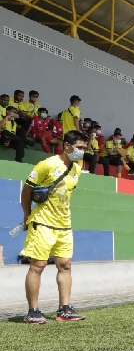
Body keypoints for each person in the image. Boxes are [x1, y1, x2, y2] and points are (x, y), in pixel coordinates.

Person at [20, 130, 89, 324]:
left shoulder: (77, 167)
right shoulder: (46, 165)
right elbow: (27, 191)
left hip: (64, 224)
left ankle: (64, 310)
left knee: (65, 265)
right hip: (42, 222)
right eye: (79, 148)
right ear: (67, 146)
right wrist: (27, 215)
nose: (82, 152)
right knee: (38, 266)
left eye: (84, 148)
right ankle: (33, 311)